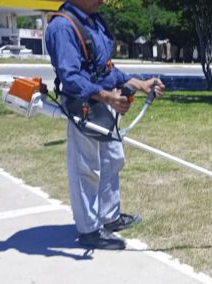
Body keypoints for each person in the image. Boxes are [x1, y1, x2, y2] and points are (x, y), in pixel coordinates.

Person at [45, 0, 165, 250]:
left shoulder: (95, 20)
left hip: (103, 101)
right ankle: (89, 229)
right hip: (84, 105)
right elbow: (71, 78)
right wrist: (107, 96)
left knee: (112, 158)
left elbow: (104, 68)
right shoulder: (62, 27)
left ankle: (109, 217)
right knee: (86, 167)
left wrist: (138, 83)